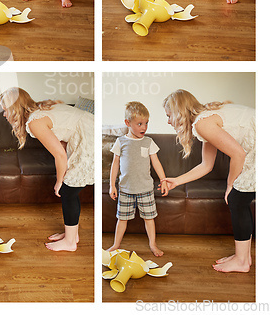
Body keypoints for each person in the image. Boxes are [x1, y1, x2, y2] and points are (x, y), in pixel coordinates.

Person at [162, 89, 255, 272]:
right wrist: (176, 181)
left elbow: (238, 154)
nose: (168, 121)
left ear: (179, 111)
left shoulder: (202, 123)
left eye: (168, 115)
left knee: (236, 198)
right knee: (239, 200)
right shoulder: (204, 120)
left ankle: (242, 261)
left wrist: (230, 185)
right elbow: (206, 165)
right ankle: (243, 257)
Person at [0, 87, 94, 251]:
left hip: (90, 137)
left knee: (67, 190)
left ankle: (70, 243)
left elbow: (59, 155)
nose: (4, 115)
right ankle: (71, 234)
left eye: (5, 110)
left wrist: (59, 180)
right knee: (69, 191)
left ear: (14, 109)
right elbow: (63, 141)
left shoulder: (34, 121)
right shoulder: (40, 109)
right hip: (85, 132)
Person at [107, 102, 168, 257]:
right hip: (126, 189)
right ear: (128, 123)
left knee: (149, 218)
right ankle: (116, 244)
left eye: (146, 123)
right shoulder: (121, 142)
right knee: (122, 219)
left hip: (145, 189)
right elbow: (115, 164)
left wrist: (163, 180)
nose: (144, 127)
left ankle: (153, 245)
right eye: (139, 124)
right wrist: (112, 186)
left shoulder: (148, 142)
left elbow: (156, 162)